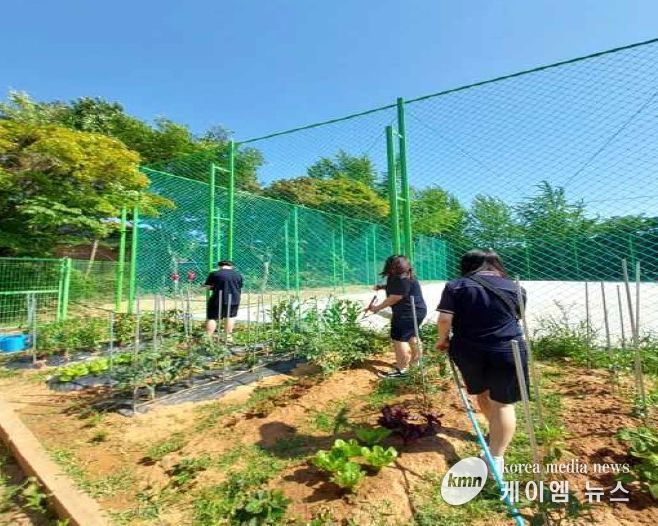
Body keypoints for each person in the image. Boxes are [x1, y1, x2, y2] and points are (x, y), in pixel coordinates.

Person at [435, 249, 528, 475]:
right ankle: (496, 456)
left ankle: (493, 434)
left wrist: (442, 340)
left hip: (469, 350)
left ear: (467, 265)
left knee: (482, 392)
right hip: (508, 349)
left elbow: (445, 319)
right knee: (503, 404)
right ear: (497, 265)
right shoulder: (516, 287)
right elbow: (518, 316)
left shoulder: (456, 286)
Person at [368, 255, 427, 379]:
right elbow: (399, 289)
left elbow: (395, 297)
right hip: (417, 310)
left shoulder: (401, 278)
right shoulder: (405, 275)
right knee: (412, 336)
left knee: (399, 338)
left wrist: (377, 308)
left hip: (407, 312)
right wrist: (382, 287)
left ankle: (401, 370)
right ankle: (416, 366)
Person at [204, 260, 243, 341]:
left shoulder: (214, 274)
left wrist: (208, 287)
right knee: (230, 316)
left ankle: (208, 337)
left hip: (217, 299)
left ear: (220, 266)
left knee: (212, 317)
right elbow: (239, 286)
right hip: (234, 299)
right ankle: (228, 336)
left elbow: (208, 286)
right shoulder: (238, 274)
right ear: (231, 266)